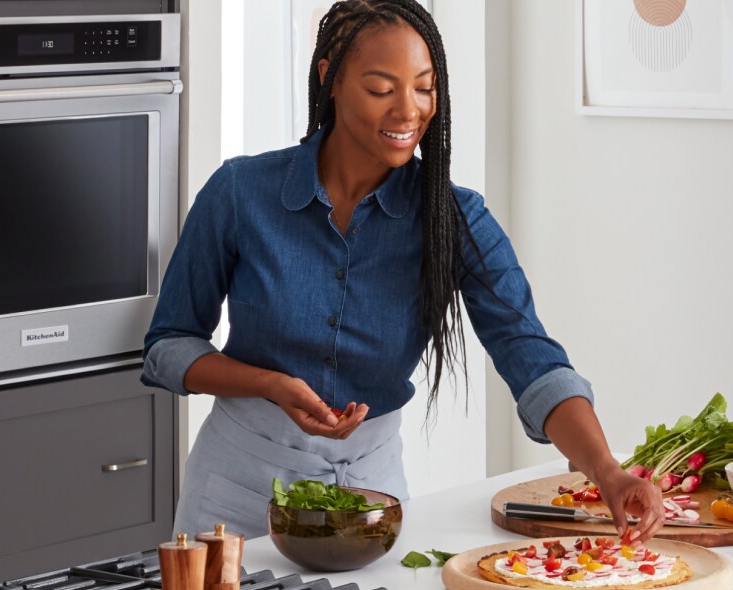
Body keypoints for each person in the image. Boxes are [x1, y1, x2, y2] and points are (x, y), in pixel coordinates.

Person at [142, 0, 664, 544]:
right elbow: (169, 346)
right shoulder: (239, 193)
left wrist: (606, 470)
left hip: (374, 499)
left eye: (424, 87)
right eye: (380, 88)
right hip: (238, 494)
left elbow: (530, 355)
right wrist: (270, 384)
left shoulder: (457, 218)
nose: (408, 111)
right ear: (331, 78)